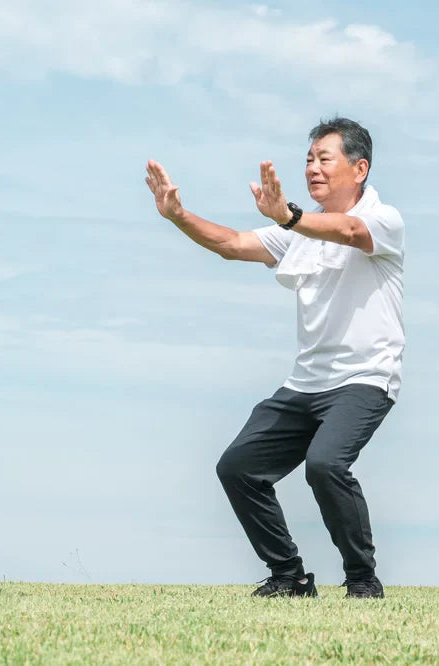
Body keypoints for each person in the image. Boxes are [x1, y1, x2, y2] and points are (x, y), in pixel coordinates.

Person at [144, 117, 404, 599]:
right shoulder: (299, 232)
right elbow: (232, 244)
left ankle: (362, 580)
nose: (313, 168)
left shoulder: (384, 220)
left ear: (360, 167)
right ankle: (289, 575)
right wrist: (178, 216)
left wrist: (289, 216)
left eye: (324, 158)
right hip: (305, 383)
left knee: (325, 465)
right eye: (308, 159)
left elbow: (348, 230)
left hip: (365, 377)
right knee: (237, 466)